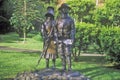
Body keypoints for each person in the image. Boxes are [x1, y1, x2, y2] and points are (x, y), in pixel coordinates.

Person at [56, 3, 76, 71]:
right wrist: (56, 36)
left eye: (66, 8)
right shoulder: (58, 19)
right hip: (59, 39)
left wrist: (72, 38)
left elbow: (73, 29)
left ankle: (69, 67)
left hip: (67, 38)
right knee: (61, 53)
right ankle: (63, 67)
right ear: (61, 10)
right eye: (63, 8)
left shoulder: (70, 19)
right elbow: (55, 29)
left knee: (68, 53)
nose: (65, 9)